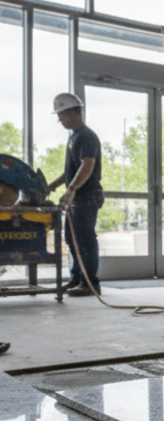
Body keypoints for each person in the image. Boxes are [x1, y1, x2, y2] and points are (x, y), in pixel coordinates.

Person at [47, 93, 104, 297]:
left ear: (73, 112)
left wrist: (71, 190)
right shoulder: (74, 137)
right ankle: (78, 278)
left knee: (85, 240)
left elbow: (87, 165)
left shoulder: (86, 136)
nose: (59, 119)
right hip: (78, 198)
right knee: (72, 239)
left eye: (61, 114)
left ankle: (91, 283)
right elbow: (71, 170)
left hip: (87, 196)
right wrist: (53, 186)